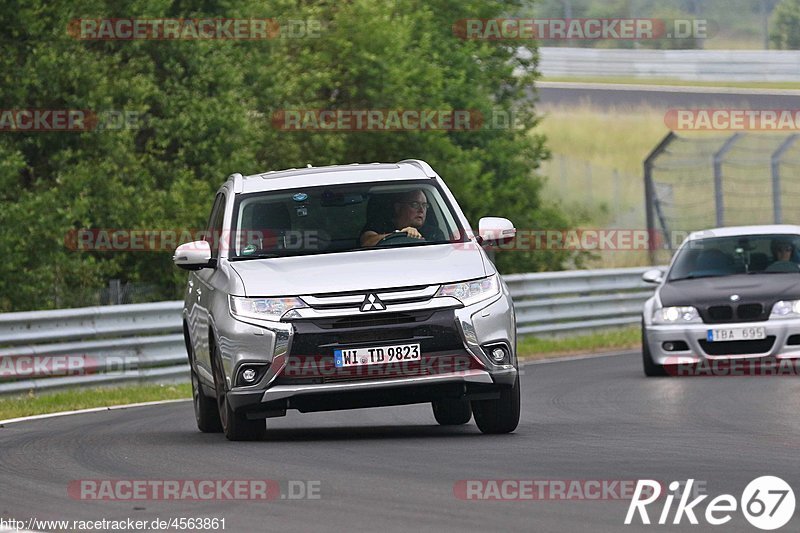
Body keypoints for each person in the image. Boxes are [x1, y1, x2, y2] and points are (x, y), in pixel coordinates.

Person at [360, 189, 430, 247]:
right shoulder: (381, 225)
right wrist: (400, 234)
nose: (421, 210)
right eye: (415, 204)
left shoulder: (432, 232)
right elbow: (367, 242)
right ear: (398, 207)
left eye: (424, 205)